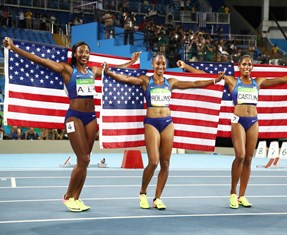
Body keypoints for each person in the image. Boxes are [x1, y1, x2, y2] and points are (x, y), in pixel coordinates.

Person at [3, 36, 141, 212]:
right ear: (75, 54)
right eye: (81, 51)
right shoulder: (67, 69)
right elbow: (40, 60)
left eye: (87, 52)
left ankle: (76, 198)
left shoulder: (93, 71)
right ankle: (68, 196)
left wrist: (132, 61)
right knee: (83, 159)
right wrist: (13, 48)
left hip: (91, 118)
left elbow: (113, 69)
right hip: (74, 117)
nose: (85, 54)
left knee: (85, 161)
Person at [177, 54, 287, 209]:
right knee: (240, 156)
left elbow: (283, 79)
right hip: (238, 121)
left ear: (252, 67)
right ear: (239, 66)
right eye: (244, 64)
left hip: (253, 122)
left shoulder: (258, 81)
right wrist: (186, 66)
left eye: (249, 64)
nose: (247, 67)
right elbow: (207, 77)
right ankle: (232, 193)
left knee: (249, 159)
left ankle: (242, 196)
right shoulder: (232, 81)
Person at [105, 53, 219, 210]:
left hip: (167, 123)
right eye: (158, 64)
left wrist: (214, 80)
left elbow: (194, 83)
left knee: (165, 163)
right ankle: (143, 193)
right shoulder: (146, 80)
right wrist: (109, 72)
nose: (161, 67)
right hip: (151, 123)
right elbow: (126, 79)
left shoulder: (170, 82)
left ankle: (158, 198)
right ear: (153, 64)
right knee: (153, 161)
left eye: (163, 64)